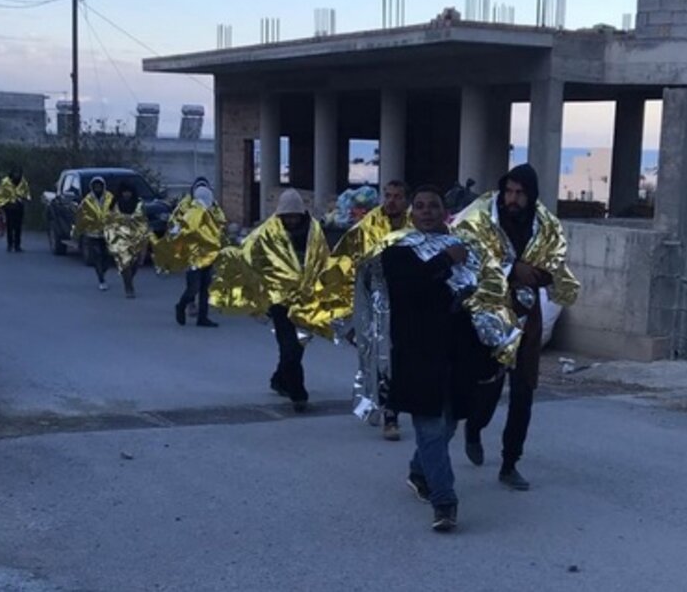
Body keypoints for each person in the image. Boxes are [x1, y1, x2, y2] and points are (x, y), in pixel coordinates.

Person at [356, 186, 505, 532]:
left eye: (433, 206)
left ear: (443, 212)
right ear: (412, 213)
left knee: (448, 424)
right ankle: (444, 502)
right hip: (418, 355)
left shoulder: (463, 247)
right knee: (432, 427)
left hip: (456, 355)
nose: (426, 211)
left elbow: (484, 291)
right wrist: (446, 260)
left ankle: (418, 471)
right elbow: (410, 287)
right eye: (420, 206)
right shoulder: (398, 251)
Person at [454, 164, 580, 491]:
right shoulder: (483, 215)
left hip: (528, 314)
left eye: (520, 193)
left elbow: (554, 263)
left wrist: (537, 275)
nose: (512, 198)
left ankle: (510, 463)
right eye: (509, 191)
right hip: (492, 311)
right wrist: (512, 270)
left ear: (530, 195)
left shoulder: (545, 225)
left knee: (523, 391)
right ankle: (474, 428)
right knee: (489, 385)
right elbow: (471, 254)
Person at [211, 188, 333, 413]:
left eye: (294, 216)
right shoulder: (268, 232)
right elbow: (250, 256)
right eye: (287, 216)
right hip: (279, 301)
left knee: (298, 347)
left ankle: (279, 379)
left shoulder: (314, 233)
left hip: (306, 301)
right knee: (289, 346)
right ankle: (298, 394)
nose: (291, 220)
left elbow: (323, 260)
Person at [327, 180, 412, 440]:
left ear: (406, 200)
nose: (392, 201)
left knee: (407, 358)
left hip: (411, 300)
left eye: (397, 196)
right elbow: (349, 264)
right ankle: (389, 415)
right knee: (383, 358)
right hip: (379, 302)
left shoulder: (416, 224)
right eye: (388, 195)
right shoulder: (369, 226)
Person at [158, 177, 226, 327]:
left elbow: (221, 222)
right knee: (194, 286)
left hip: (208, 252)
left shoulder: (212, 206)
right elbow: (176, 225)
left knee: (205, 286)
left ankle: (203, 317)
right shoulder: (186, 206)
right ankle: (181, 305)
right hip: (192, 254)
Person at [105, 181, 151, 298]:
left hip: (136, 237)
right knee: (125, 264)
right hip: (120, 237)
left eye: (129, 192)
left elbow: (144, 220)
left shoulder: (139, 204)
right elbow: (110, 219)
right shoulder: (115, 204)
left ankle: (129, 279)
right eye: (125, 192)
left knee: (135, 264)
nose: (127, 194)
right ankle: (129, 288)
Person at [74, 177, 114, 291]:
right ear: (92, 187)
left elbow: (116, 212)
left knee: (107, 257)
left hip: (107, 232)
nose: (98, 188)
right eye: (95, 187)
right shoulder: (87, 200)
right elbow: (80, 216)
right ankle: (101, 280)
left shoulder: (110, 198)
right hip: (92, 233)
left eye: (99, 186)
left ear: (103, 186)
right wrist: (78, 230)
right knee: (97, 256)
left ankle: (103, 271)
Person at [0, 168, 31, 252]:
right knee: (10, 226)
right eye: (15, 173)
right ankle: (10, 245)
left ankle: (17, 245)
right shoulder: (5, 182)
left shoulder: (23, 182)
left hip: (19, 206)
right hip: (9, 206)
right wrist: (0, 205)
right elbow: (0, 194)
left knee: (18, 227)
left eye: (18, 173)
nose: (17, 175)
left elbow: (27, 192)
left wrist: (26, 199)